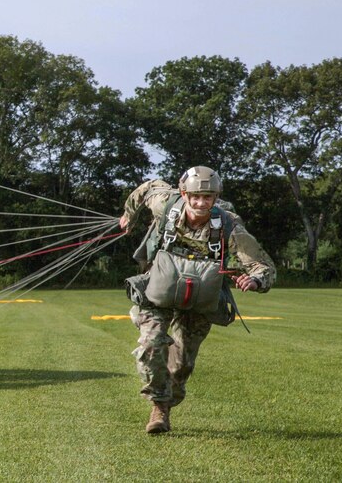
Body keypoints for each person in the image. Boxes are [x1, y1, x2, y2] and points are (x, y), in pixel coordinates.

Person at [118, 166, 275, 434]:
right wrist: (129, 215)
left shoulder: (229, 225)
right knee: (151, 345)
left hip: (200, 300)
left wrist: (256, 280)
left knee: (181, 366)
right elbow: (147, 188)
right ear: (184, 194)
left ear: (216, 198)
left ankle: (167, 403)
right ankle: (159, 407)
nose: (201, 203)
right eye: (196, 197)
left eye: (208, 197)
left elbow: (263, 266)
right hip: (158, 292)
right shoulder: (166, 204)